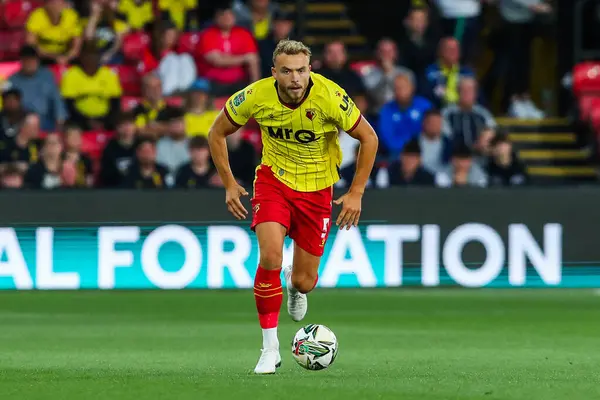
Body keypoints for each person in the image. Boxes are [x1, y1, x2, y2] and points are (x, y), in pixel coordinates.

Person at [208, 39, 379, 374]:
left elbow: (369, 137)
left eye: (301, 70)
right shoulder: (256, 95)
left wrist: (357, 191)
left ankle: (293, 284)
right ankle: (269, 348)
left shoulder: (330, 96)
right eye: (287, 71)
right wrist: (229, 182)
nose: (295, 78)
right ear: (275, 73)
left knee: (305, 281)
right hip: (274, 182)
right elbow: (216, 133)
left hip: (317, 192)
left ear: (310, 69)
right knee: (270, 256)